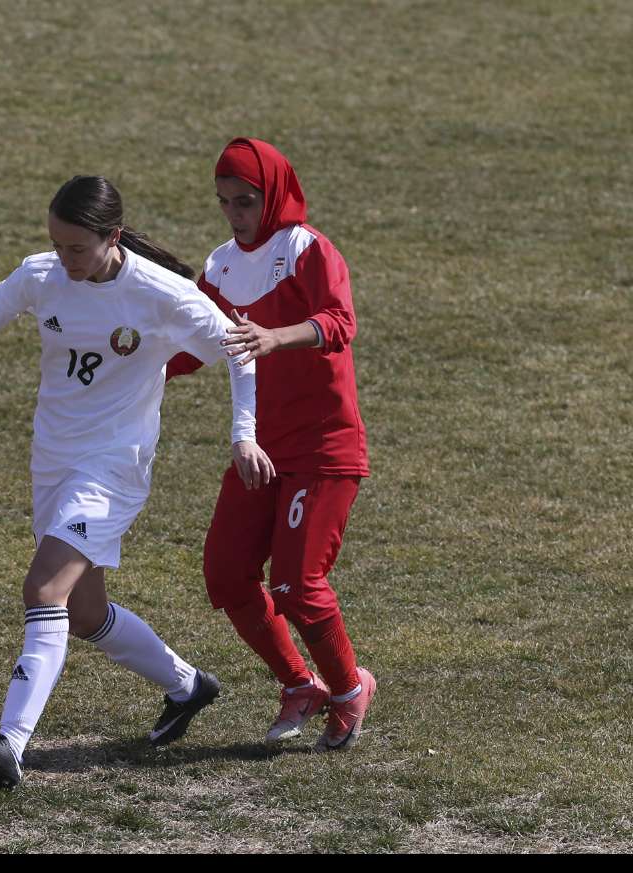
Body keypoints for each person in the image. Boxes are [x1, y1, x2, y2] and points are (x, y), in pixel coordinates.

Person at [0, 175, 269, 788]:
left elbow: (241, 350)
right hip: (52, 460)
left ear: (112, 239)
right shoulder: (42, 275)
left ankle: (11, 742)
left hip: (114, 466)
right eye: (57, 245)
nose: (64, 259)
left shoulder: (163, 295)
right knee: (84, 612)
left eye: (76, 248)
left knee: (44, 588)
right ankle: (188, 687)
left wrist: (244, 433)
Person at [167, 137, 374, 751]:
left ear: (275, 193)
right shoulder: (223, 265)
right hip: (262, 448)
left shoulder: (308, 250)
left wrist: (273, 337)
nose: (235, 214)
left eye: (246, 201)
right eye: (225, 203)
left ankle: (347, 688)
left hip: (323, 445)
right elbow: (199, 343)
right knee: (228, 575)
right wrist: (136, 362)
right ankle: (298, 683)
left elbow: (341, 322)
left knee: (296, 583)